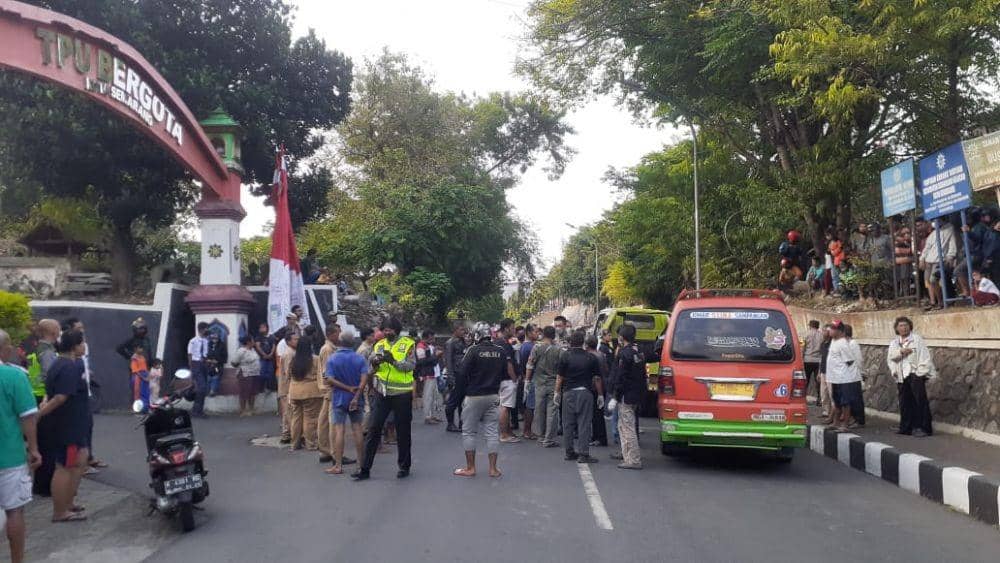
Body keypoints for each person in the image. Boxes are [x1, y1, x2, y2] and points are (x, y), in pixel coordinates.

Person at [353, 317, 416, 481]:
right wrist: (376, 361)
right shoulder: (379, 344)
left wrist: (393, 361)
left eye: (390, 329)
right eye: (385, 329)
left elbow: (411, 366)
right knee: (374, 429)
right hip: (382, 393)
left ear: (397, 329)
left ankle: (404, 466)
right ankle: (364, 468)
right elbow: (370, 366)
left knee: (403, 432)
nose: (387, 332)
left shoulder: (407, 344)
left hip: (402, 394)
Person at [37, 330, 91, 522]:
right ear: (74, 346)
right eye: (82, 342)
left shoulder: (66, 364)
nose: (84, 346)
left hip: (75, 424)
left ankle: (68, 502)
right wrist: (39, 414)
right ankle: (60, 511)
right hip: (67, 426)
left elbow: (50, 392)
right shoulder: (67, 367)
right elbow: (60, 397)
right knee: (64, 467)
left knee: (80, 460)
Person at [0, 329, 42, 563]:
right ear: (4, 350)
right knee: (14, 511)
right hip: (10, 457)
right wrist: (33, 448)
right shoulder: (15, 376)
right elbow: (28, 417)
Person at [452, 325, 512, 478]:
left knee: (469, 432)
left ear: (477, 335)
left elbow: (461, 372)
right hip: (493, 395)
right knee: (492, 433)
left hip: (474, 396)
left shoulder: (473, 350)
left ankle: (470, 468)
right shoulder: (500, 351)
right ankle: (493, 469)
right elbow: (505, 372)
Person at [554, 330, 603, 464]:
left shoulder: (565, 356)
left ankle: (569, 452)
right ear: (583, 343)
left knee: (568, 424)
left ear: (570, 342)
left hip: (568, 392)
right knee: (584, 424)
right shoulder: (591, 358)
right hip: (585, 393)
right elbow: (597, 378)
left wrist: (557, 392)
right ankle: (583, 454)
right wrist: (600, 395)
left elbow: (559, 377)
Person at [323, 332, 369, 475]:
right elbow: (364, 379)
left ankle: (338, 465)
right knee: (357, 429)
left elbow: (329, 379)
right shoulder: (360, 359)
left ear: (340, 342)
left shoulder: (332, 359)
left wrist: (345, 387)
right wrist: (356, 395)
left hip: (339, 398)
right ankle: (361, 464)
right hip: (356, 398)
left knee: (339, 430)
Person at [887, 317, 935, 437]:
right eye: (901, 326)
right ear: (897, 328)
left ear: (910, 326)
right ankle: (906, 427)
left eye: (906, 325)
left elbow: (924, 356)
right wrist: (901, 353)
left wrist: (920, 373)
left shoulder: (916, 340)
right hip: (901, 375)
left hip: (914, 373)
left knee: (920, 401)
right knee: (904, 402)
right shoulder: (894, 343)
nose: (904, 328)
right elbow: (891, 358)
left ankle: (924, 428)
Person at [608, 324, 644, 469]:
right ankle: (627, 455)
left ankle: (633, 459)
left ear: (621, 338)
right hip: (636, 395)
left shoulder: (624, 354)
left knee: (626, 427)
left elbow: (621, 377)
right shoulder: (638, 353)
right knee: (625, 426)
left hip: (626, 396)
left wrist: (615, 396)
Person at [287, 329, 325, 452]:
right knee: (310, 419)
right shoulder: (315, 359)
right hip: (311, 391)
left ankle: (294, 443)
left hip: (294, 391)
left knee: (296, 418)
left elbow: (288, 375)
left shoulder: (293, 359)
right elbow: (320, 375)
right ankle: (311, 444)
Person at [525, 326, 563, 448]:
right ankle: (549, 439)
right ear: (553, 335)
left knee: (539, 409)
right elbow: (562, 369)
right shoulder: (559, 350)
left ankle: (541, 436)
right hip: (553, 384)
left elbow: (530, 365)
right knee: (552, 411)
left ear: (543, 334)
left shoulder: (536, 347)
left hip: (539, 383)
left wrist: (527, 381)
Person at [825, 321, 861, 431]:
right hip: (835, 378)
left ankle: (845, 424)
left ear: (840, 331)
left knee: (845, 402)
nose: (829, 330)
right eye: (830, 328)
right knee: (836, 402)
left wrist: (841, 371)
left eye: (832, 328)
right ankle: (835, 423)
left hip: (844, 378)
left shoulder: (843, 343)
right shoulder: (834, 341)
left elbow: (849, 361)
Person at [317, 324, 344, 464]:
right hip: (331, 388)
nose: (340, 336)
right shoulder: (328, 349)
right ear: (332, 334)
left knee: (324, 421)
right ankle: (334, 453)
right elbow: (328, 373)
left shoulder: (328, 348)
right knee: (333, 422)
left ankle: (325, 451)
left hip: (327, 388)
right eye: (338, 333)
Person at [919, 218, 956, 310]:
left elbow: (952, 245)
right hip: (928, 261)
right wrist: (922, 259)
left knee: (933, 280)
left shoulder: (949, 229)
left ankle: (940, 302)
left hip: (939, 260)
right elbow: (926, 248)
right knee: (928, 282)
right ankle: (933, 302)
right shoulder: (933, 234)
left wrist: (950, 256)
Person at [494, 319, 521, 443]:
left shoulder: (498, 342)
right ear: (506, 329)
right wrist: (514, 379)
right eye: (512, 328)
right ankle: (504, 434)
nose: (514, 330)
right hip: (507, 379)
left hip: (501, 379)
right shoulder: (504, 344)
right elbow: (509, 364)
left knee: (507, 406)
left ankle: (508, 431)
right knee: (505, 407)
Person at [443, 324, 468, 433]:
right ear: (455, 330)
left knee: (462, 401)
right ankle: (450, 423)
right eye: (461, 329)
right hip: (455, 375)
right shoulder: (450, 343)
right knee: (453, 401)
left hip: (463, 375)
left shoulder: (462, 342)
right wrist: (450, 377)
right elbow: (448, 361)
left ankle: (462, 423)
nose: (464, 331)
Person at [585, 335, 609, 447]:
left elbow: (595, 377)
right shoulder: (601, 355)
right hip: (602, 386)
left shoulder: (591, 357)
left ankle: (599, 438)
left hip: (595, 388)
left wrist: (599, 393)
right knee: (598, 413)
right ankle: (598, 437)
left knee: (596, 414)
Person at [415, 329, 443, 425]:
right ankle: (427, 416)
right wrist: (436, 356)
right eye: (432, 337)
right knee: (428, 396)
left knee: (434, 396)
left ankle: (431, 415)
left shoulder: (428, 346)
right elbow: (422, 362)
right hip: (427, 374)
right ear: (427, 337)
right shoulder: (420, 346)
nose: (433, 339)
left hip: (433, 373)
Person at [231, 336, 261, 416]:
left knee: (252, 393)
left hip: (255, 374)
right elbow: (234, 362)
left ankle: (251, 409)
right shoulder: (241, 351)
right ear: (248, 342)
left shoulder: (253, 350)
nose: (254, 342)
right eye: (252, 340)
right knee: (244, 392)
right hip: (245, 374)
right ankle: (242, 410)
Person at [519, 325, 539, 440]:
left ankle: (527, 430)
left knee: (528, 405)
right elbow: (529, 365)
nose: (538, 334)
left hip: (527, 379)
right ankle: (527, 431)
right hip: (530, 379)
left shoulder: (525, 346)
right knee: (530, 406)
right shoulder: (530, 347)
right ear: (529, 333)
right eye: (536, 332)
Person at [187, 322, 210, 418]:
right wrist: (191, 368)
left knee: (204, 389)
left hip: (204, 364)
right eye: (206, 329)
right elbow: (190, 355)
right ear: (201, 329)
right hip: (196, 364)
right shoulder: (193, 341)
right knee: (202, 387)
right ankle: (196, 410)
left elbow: (206, 353)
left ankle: (198, 410)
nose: (207, 331)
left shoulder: (206, 341)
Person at [277, 333, 296, 443]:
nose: (297, 341)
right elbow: (288, 372)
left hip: (287, 386)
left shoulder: (292, 352)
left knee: (287, 411)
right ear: (288, 341)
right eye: (295, 339)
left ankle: (286, 434)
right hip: (287, 387)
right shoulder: (289, 353)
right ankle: (290, 434)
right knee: (288, 411)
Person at [802, 320, 824, 403]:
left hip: (807, 360)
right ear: (817, 326)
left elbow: (803, 347)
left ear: (810, 326)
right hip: (818, 361)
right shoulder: (821, 335)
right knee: (818, 381)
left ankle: (803, 398)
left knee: (805, 380)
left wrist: (801, 357)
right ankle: (819, 399)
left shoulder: (806, 334)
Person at [254, 323, 277, 392]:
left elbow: (273, 346)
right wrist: (264, 354)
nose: (262, 329)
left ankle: (269, 387)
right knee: (262, 373)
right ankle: (261, 388)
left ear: (267, 328)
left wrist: (271, 354)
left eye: (263, 327)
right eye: (260, 328)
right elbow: (258, 346)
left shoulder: (271, 337)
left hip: (270, 359)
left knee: (270, 373)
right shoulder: (258, 337)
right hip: (262, 358)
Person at [205, 331, 227, 398]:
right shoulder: (208, 345)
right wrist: (207, 360)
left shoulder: (222, 345)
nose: (214, 339)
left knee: (216, 377)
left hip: (218, 366)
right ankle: (207, 391)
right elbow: (205, 355)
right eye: (213, 338)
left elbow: (225, 358)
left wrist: (217, 361)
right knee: (208, 378)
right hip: (209, 366)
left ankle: (212, 391)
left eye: (216, 338)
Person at [130, 344, 151, 412]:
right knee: (138, 394)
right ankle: (139, 409)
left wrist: (147, 376)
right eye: (139, 348)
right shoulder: (134, 358)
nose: (141, 350)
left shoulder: (142, 357)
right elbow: (135, 371)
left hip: (144, 376)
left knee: (146, 393)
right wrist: (143, 377)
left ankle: (145, 408)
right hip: (138, 378)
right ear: (135, 349)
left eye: (142, 348)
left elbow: (145, 368)